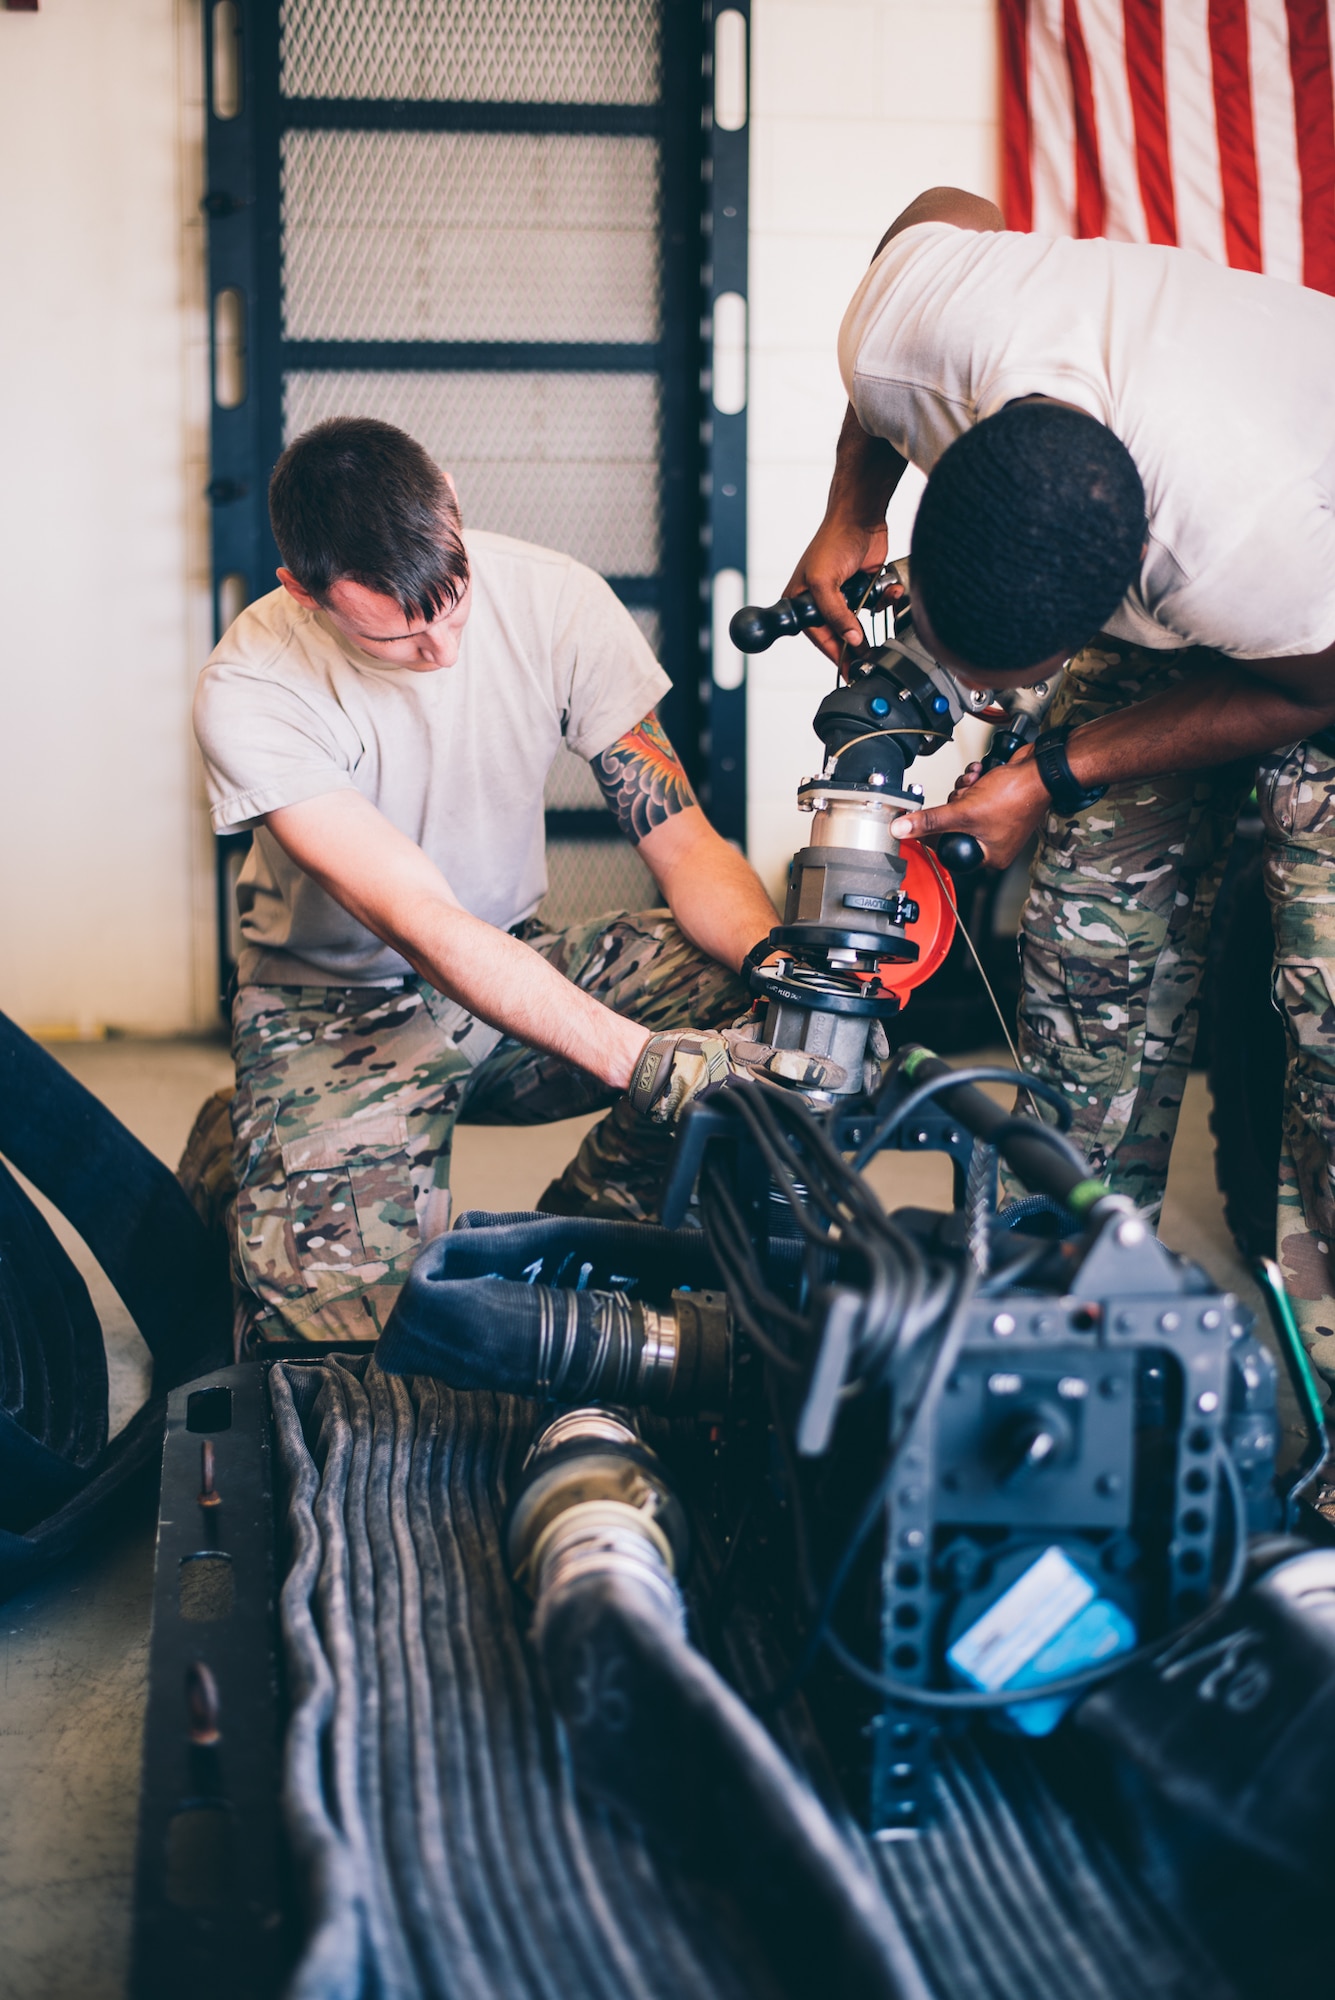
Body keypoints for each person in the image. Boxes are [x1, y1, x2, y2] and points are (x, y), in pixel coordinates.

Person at [786, 185, 1335, 1381]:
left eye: (1005, 684)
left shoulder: (1242, 547)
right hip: (1175, 526)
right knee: (1088, 955)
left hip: (1320, 632)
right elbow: (935, 208)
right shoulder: (917, 331)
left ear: (1118, 605)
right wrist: (853, 506)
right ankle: (1067, 1319)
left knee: (1326, 1001)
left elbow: (1310, 687)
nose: (978, 704)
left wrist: (1054, 769)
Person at [193, 416, 799, 1348]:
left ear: (452, 505)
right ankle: (254, 1144)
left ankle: (584, 1237)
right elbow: (418, 917)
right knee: (363, 1359)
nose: (440, 650)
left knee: (751, 997)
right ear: (303, 592)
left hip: (508, 969)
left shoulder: (558, 601)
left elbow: (683, 844)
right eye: (395, 637)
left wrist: (782, 970)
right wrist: (644, 1062)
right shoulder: (253, 686)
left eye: (453, 605)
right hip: (333, 1004)